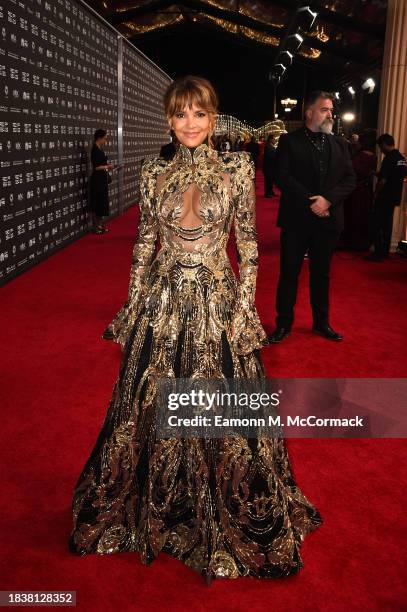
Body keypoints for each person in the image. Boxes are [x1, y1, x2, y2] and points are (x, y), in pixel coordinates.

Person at [69, 75, 323, 584]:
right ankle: (155, 503)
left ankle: (225, 502)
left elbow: (247, 244)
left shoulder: (236, 168)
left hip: (216, 300)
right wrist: (133, 304)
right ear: (168, 118)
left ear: (213, 118)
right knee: (147, 401)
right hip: (161, 304)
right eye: (181, 114)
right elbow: (143, 243)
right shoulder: (151, 170)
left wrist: (244, 308)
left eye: (200, 113)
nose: (190, 124)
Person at [269, 90, 356, 344]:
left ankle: (321, 323)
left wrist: (327, 200)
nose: (330, 114)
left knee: (322, 273)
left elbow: (350, 179)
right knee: (289, 272)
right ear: (309, 112)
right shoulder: (290, 141)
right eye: (324, 109)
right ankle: (283, 324)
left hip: (328, 220)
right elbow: (283, 177)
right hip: (297, 219)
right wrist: (313, 201)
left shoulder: (340, 144)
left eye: (331, 110)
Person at [365, 133, 407, 262]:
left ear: (384, 144)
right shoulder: (401, 158)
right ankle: (384, 252)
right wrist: (377, 173)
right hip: (395, 196)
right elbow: (397, 175)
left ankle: (378, 254)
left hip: (384, 197)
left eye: (380, 146)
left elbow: (383, 180)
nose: (381, 150)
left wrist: (376, 193)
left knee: (377, 224)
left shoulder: (389, 158)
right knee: (387, 225)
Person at [342, 131, 377, 251]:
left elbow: (352, 170)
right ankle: (359, 242)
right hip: (365, 190)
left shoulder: (360, 156)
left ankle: (352, 242)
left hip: (357, 190)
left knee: (353, 214)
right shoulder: (373, 156)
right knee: (361, 215)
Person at [89, 129, 120, 234]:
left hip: (101, 178)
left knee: (102, 202)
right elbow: (96, 167)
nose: (106, 140)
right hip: (97, 179)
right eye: (105, 138)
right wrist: (108, 166)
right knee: (97, 202)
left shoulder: (100, 149)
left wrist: (110, 167)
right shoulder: (95, 150)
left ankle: (100, 226)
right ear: (99, 138)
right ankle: (96, 227)